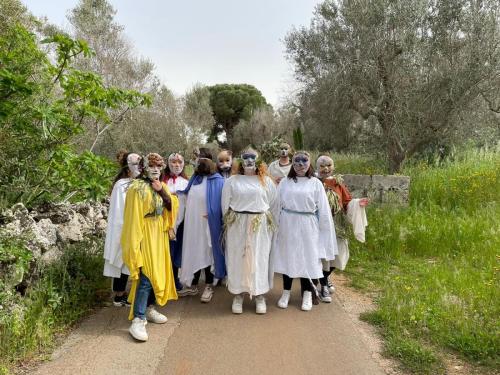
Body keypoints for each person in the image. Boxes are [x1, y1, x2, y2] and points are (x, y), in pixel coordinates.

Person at [121, 153, 179, 342]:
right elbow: (132, 218)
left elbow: (172, 205)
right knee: (146, 276)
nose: (155, 169)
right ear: (144, 167)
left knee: (158, 273)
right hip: (144, 234)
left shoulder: (161, 186)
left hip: (159, 235)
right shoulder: (136, 189)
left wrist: (162, 191)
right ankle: (138, 318)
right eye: (151, 166)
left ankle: (149, 307)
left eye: (158, 166)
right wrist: (135, 244)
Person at [273, 151, 337, 311]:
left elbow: (323, 210)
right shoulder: (285, 183)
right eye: (297, 161)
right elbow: (276, 206)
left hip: (309, 225)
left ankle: (307, 294)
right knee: (289, 257)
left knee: (308, 258)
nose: (301, 164)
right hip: (288, 224)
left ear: (309, 163)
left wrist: (325, 232)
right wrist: (274, 227)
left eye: (304, 161)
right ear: (292, 163)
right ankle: (286, 292)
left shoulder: (315, 183)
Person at [222, 147, 277, 314]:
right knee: (237, 258)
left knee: (259, 259)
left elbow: (273, 204)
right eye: (245, 157)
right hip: (237, 225)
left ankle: (259, 295)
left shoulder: (266, 181)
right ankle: (238, 295)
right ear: (241, 160)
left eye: (252, 157)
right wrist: (230, 224)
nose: (249, 161)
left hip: (259, 226)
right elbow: (224, 205)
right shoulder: (232, 181)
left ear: (258, 160)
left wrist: (267, 223)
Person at [315, 155, 369, 302]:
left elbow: (347, 202)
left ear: (333, 167)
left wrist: (358, 203)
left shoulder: (337, 183)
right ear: (316, 167)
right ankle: (324, 284)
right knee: (322, 255)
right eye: (322, 166)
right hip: (318, 225)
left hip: (337, 224)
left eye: (329, 165)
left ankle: (325, 277)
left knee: (338, 254)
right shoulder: (313, 182)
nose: (326, 169)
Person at [177, 148, 226, 303]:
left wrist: (213, 214)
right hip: (193, 223)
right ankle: (193, 285)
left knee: (207, 252)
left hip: (208, 224)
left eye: (203, 158)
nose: (200, 161)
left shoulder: (218, 180)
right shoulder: (194, 179)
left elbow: (222, 203)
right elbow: (184, 196)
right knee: (194, 250)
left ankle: (209, 286)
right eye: (198, 158)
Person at [103, 151, 141, 307]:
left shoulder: (137, 183)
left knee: (129, 260)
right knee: (120, 258)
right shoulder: (121, 185)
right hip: (122, 226)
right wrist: (124, 228)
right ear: (128, 167)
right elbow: (119, 210)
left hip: (134, 227)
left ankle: (127, 292)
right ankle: (119, 295)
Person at [161, 152, 193, 297]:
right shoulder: (161, 181)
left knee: (176, 253)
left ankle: (175, 282)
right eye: (173, 162)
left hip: (180, 224)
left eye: (180, 162)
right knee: (164, 253)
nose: (177, 165)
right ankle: (163, 283)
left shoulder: (186, 183)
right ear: (168, 164)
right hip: (163, 224)